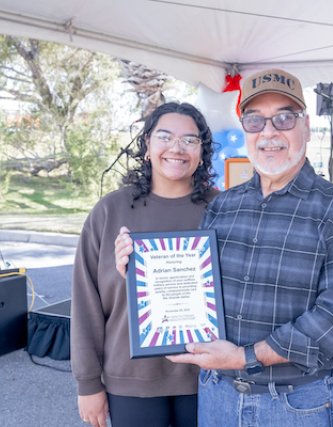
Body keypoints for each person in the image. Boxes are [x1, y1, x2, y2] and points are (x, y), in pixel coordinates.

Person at [115, 68, 333, 427]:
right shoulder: (222, 206)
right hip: (216, 396)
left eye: (284, 118)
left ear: (307, 127)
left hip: (295, 404)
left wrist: (245, 357)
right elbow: (195, 289)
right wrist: (143, 273)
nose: (269, 132)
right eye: (254, 121)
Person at [71, 102, 219, 427]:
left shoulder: (221, 209)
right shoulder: (110, 211)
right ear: (148, 145)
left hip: (208, 378)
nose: (176, 148)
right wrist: (88, 384)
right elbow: (86, 304)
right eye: (164, 136)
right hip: (130, 379)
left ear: (202, 151)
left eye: (190, 140)